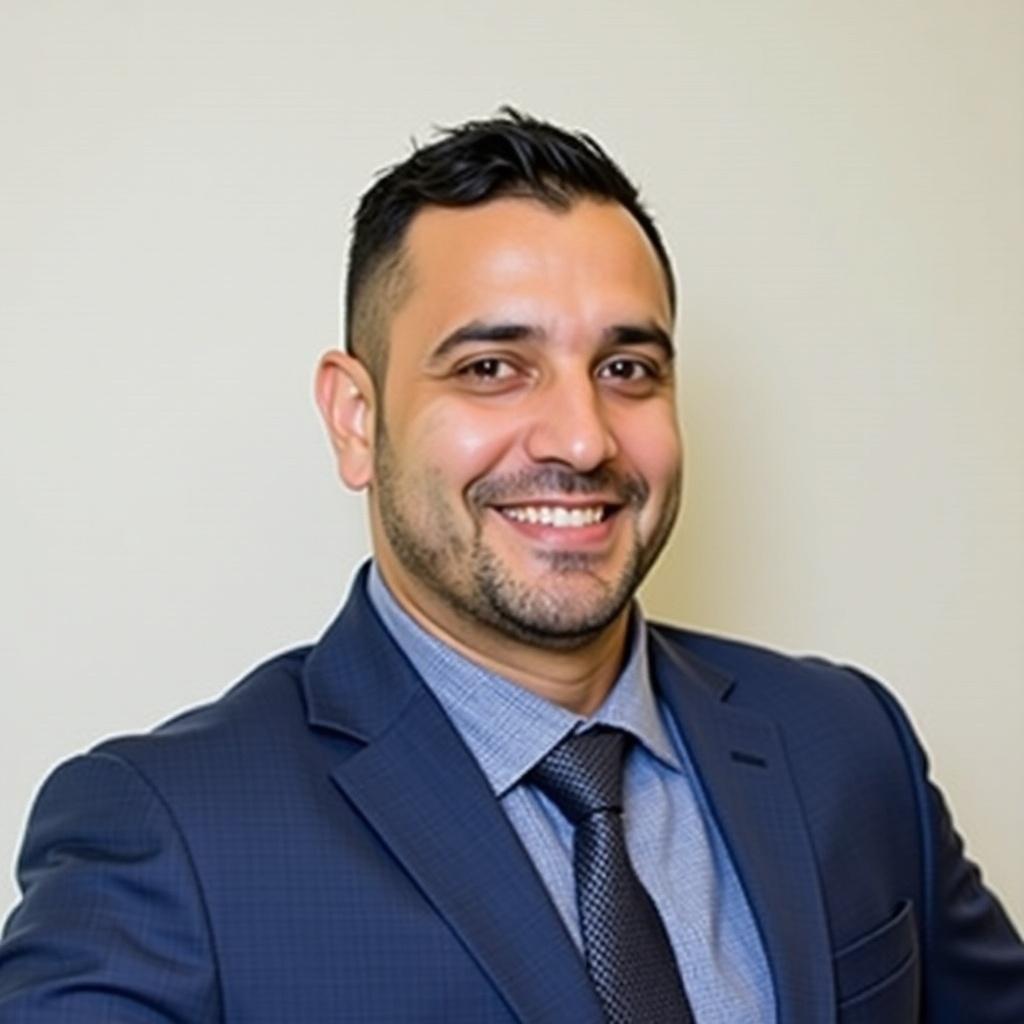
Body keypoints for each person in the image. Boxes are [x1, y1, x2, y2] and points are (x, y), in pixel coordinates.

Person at [0, 109, 1021, 1023]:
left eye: (627, 369)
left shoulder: (847, 746)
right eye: (492, 368)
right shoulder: (169, 833)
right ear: (357, 420)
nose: (581, 439)